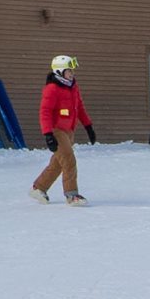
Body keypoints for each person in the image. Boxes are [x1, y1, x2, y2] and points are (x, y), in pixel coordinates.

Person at [31, 56, 91, 205]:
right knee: (69, 160)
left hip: (69, 130)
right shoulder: (52, 89)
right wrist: (48, 134)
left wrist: (88, 126)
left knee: (58, 164)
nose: (72, 74)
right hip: (56, 130)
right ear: (59, 71)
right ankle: (72, 195)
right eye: (68, 71)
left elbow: (80, 108)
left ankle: (39, 188)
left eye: (72, 71)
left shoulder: (73, 87)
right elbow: (45, 112)